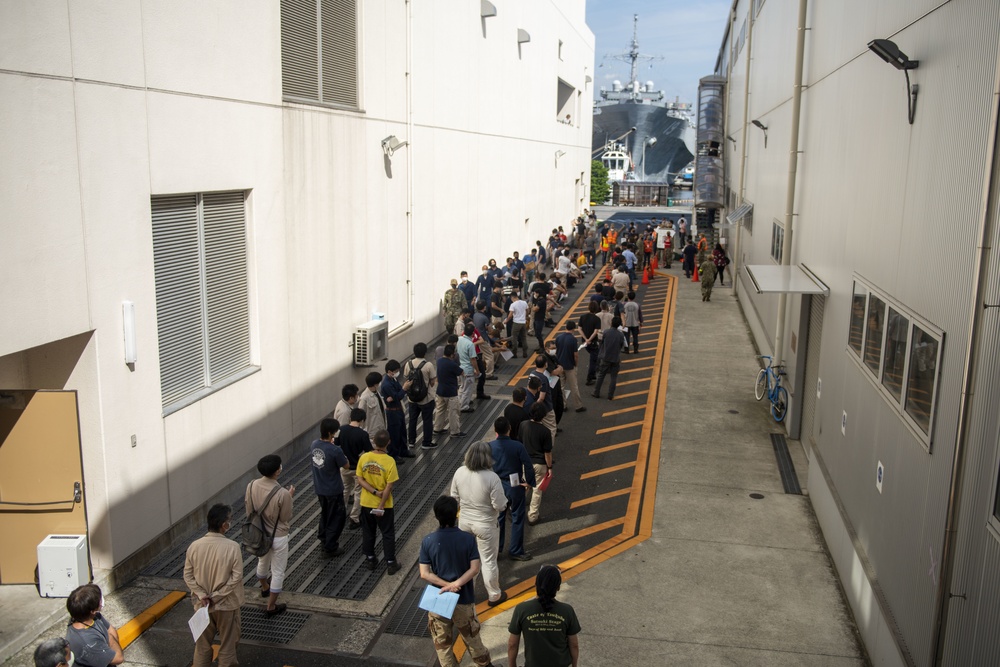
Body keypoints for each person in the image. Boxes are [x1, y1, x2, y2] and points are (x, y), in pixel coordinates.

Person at [418, 496, 496, 667]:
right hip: (463, 599)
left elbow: (424, 574)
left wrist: (445, 585)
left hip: (438, 599)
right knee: (472, 639)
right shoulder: (467, 539)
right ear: (456, 515)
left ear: (436, 516)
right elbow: (474, 568)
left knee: (443, 645)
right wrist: (456, 584)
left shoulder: (428, 541)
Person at [183, 504, 244, 667]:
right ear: (224, 525)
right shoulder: (233, 547)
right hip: (226, 605)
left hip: (201, 606)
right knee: (228, 646)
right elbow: (236, 577)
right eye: (229, 520)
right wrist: (217, 595)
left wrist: (202, 595)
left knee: (202, 647)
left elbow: (187, 575)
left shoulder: (194, 546)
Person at [450, 441, 508, 606]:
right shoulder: (492, 477)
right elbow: (500, 505)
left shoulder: (460, 472)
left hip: (464, 522)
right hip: (486, 525)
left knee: (468, 560)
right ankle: (494, 594)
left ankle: (467, 594)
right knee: (488, 560)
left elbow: (454, 498)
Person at [246, 455, 295, 616]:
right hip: (278, 536)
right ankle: (271, 606)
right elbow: (285, 517)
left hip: (259, 533)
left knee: (262, 560)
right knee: (278, 571)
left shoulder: (251, 485)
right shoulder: (282, 493)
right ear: (277, 471)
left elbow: (249, 511)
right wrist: (290, 496)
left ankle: (264, 587)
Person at [507, 565, 581, 667]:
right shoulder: (567, 611)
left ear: (535, 584)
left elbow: (512, 645)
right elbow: (574, 645)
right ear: (558, 587)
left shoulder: (522, 609)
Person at [490, 416, 536, 561]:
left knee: (499, 518)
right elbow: (528, 465)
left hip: (497, 485)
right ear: (509, 429)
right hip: (515, 485)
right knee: (517, 517)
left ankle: (497, 549)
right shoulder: (518, 446)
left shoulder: (489, 447)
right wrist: (529, 482)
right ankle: (516, 550)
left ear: (495, 430)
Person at [356, 429, 401, 574]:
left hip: (366, 502)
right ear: (389, 442)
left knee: (368, 532)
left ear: (373, 442)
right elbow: (389, 485)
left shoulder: (364, 458)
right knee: (387, 533)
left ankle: (370, 559)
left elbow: (360, 479)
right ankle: (390, 563)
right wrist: (381, 504)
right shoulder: (389, 461)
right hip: (385, 506)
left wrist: (373, 491)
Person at [310, 419, 350, 557]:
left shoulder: (314, 445)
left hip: (320, 488)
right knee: (336, 517)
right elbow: (346, 465)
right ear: (330, 433)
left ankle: (323, 538)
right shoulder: (335, 450)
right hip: (333, 489)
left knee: (325, 514)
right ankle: (331, 547)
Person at [64, 584, 123, 667]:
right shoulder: (89, 643)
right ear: (92, 611)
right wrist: (108, 636)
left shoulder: (87, 616)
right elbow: (118, 658)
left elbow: (111, 629)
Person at [519, 403, 553, 527]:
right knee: (537, 490)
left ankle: (515, 508)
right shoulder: (545, 431)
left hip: (526, 462)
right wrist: (549, 467)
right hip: (539, 464)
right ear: (543, 416)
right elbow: (547, 453)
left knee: (525, 486)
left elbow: (520, 441)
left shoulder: (523, 425)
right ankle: (533, 516)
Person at [339, 408, 372, 528]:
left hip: (344, 467)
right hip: (358, 468)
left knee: (344, 491)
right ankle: (354, 518)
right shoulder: (363, 434)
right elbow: (369, 451)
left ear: (350, 417)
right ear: (362, 420)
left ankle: (340, 514)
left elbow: (336, 445)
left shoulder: (341, 430)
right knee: (358, 493)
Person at [405, 343, 437, 450]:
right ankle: (426, 442)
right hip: (426, 399)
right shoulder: (428, 365)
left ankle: (411, 441)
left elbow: (406, 378)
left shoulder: (408, 364)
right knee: (427, 420)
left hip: (412, 398)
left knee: (412, 420)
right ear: (425, 352)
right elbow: (432, 381)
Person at [380, 360, 414, 460]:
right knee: (394, 434)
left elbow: (397, 393)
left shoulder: (393, 380)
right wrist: (404, 389)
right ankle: (393, 455)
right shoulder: (386, 384)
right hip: (392, 412)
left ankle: (403, 450)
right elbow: (397, 395)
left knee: (402, 431)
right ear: (390, 371)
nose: (398, 372)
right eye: (396, 370)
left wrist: (401, 390)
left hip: (398, 409)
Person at [434, 343, 467, 439]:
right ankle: (455, 431)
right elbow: (461, 372)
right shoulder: (452, 364)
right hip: (451, 392)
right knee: (453, 412)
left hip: (440, 391)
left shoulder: (439, 361)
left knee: (440, 410)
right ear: (452, 354)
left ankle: (437, 428)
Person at [592, 316, 625, 400]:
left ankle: (596, 392)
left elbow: (602, 342)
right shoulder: (621, 335)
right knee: (613, 377)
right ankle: (610, 395)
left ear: (611, 323)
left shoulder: (606, 332)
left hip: (606, 357)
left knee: (601, 375)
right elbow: (621, 345)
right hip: (615, 358)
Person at [554, 321, 585, 413]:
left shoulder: (558, 338)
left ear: (566, 327)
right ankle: (578, 406)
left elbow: (556, 352)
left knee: (561, 387)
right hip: (570, 366)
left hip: (560, 366)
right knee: (574, 387)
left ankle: (563, 405)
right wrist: (576, 364)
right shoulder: (573, 339)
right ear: (573, 329)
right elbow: (576, 355)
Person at [579, 301, 602, 385]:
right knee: (593, 360)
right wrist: (589, 339)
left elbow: (579, 329)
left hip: (584, 342)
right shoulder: (596, 319)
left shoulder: (583, 317)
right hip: (593, 342)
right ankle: (590, 377)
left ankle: (593, 375)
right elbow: (596, 331)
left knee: (593, 357)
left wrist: (585, 339)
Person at [359, 372, 387, 437]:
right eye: (379, 382)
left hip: (381, 427)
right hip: (372, 431)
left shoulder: (376, 392)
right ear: (375, 384)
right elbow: (360, 416)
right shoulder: (364, 398)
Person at [505, 291, 529, 359]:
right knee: (524, 338)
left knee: (514, 338)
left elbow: (510, 315)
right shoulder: (524, 302)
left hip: (516, 323)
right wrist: (525, 316)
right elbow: (527, 310)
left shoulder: (513, 305)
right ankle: (525, 353)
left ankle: (514, 353)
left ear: (512, 297)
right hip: (523, 323)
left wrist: (506, 321)